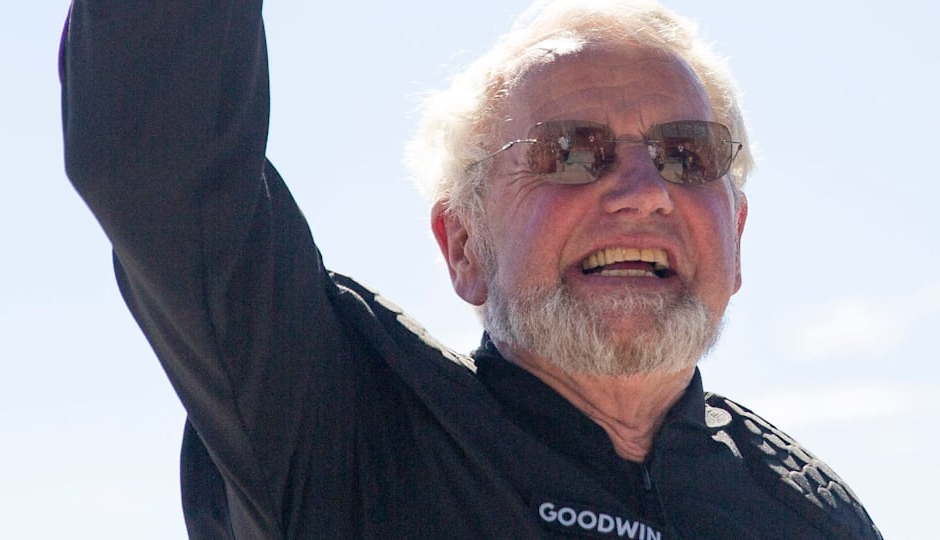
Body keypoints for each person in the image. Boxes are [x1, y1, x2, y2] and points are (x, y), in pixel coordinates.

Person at [61, 0, 881, 538]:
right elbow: (156, 152)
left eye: (685, 155)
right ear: (463, 247)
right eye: (568, 152)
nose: (642, 193)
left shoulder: (813, 514)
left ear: (734, 234)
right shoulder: (345, 430)